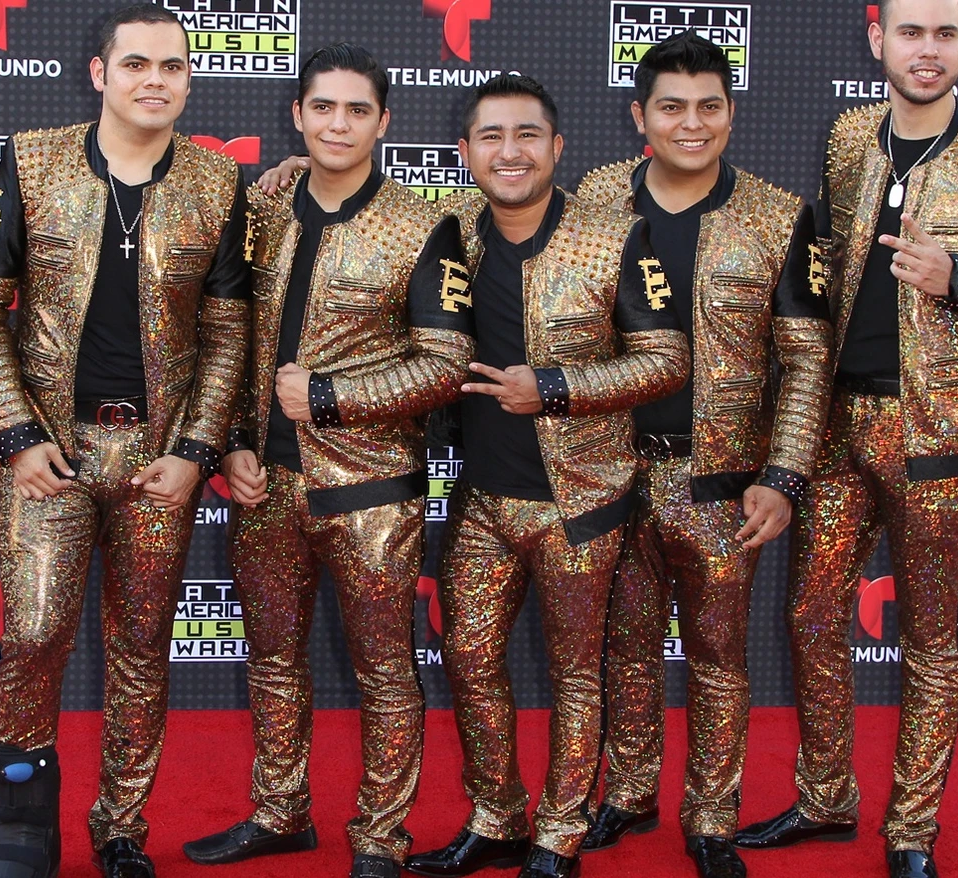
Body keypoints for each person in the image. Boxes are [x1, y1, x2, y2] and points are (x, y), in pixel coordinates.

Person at [731, 2, 958, 877]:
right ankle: (825, 797)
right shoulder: (848, 136)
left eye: (945, 34)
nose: (928, 50)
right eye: (911, 32)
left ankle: (912, 831)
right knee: (810, 613)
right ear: (879, 40)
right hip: (840, 419)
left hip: (941, 431)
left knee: (929, 635)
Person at [0, 5, 250, 878]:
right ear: (100, 73)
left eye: (173, 66)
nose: (156, 80)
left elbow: (228, 332)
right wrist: (16, 434)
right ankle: (17, 832)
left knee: (142, 647)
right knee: (34, 631)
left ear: (188, 79)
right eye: (137, 64)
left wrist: (196, 450)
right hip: (51, 452)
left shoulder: (216, 182)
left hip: (160, 461)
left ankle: (121, 831)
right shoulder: (30, 161)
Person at [179, 43, 474, 878]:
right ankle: (280, 813)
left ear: (383, 122)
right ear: (298, 115)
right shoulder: (261, 208)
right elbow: (228, 341)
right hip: (264, 485)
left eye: (356, 110)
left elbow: (446, 365)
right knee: (273, 660)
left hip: (371, 491)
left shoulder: (424, 225)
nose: (337, 124)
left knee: (385, 670)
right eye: (323, 108)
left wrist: (333, 398)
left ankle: (380, 837)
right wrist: (233, 443)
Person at [403, 74, 690, 878]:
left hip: (580, 502)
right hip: (481, 503)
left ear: (557, 147)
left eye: (527, 134)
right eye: (491, 136)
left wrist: (556, 389)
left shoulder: (615, 238)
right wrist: (287, 175)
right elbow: (356, 208)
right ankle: (496, 816)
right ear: (464, 152)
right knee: (467, 659)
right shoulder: (447, 231)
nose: (510, 152)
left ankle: (560, 834)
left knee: (575, 674)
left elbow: (667, 359)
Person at [573, 32, 832, 878]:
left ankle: (712, 816)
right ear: (639, 115)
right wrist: (293, 177)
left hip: (720, 480)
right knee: (624, 646)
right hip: (610, 468)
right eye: (673, 107)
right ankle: (628, 793)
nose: (692, 124)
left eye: (709, 107)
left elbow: (805, 360)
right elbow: (489, 230)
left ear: (731, 113)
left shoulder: (779, 214)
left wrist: (783, 475)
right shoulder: (596, 197)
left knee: (719, 656)